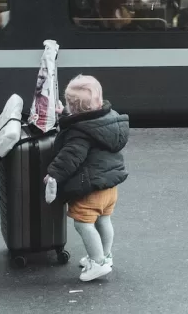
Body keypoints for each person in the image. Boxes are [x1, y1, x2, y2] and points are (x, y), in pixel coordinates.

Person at [44, 75, 130, 282]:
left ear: (74, 109)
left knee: (83, 224)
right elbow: (86, 118)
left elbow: (70, 157)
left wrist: (53, 173)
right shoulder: (110, 119)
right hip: (110, 186)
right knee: (104, 219)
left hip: (91, 187)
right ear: (99, 102)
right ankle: (106, 256)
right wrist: (65, 114)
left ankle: (98, 262)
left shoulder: (79, 133)